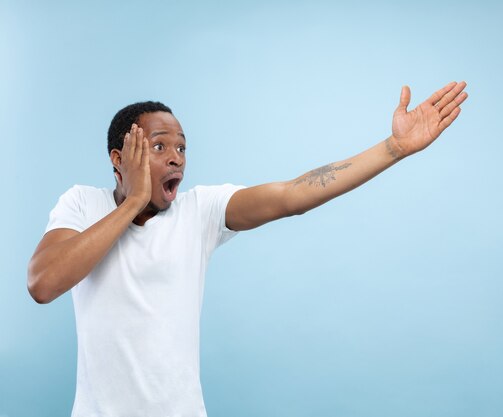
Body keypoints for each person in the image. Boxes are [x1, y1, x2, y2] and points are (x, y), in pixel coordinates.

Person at [27, 81, 468, 416]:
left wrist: (394, 147)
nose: (177, 156)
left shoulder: (199, 211)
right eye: (158, 146)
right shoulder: (83, 203)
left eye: (181, 146)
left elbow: (291, 195)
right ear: (117, 158)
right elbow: (44, 283)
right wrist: (135, 202)